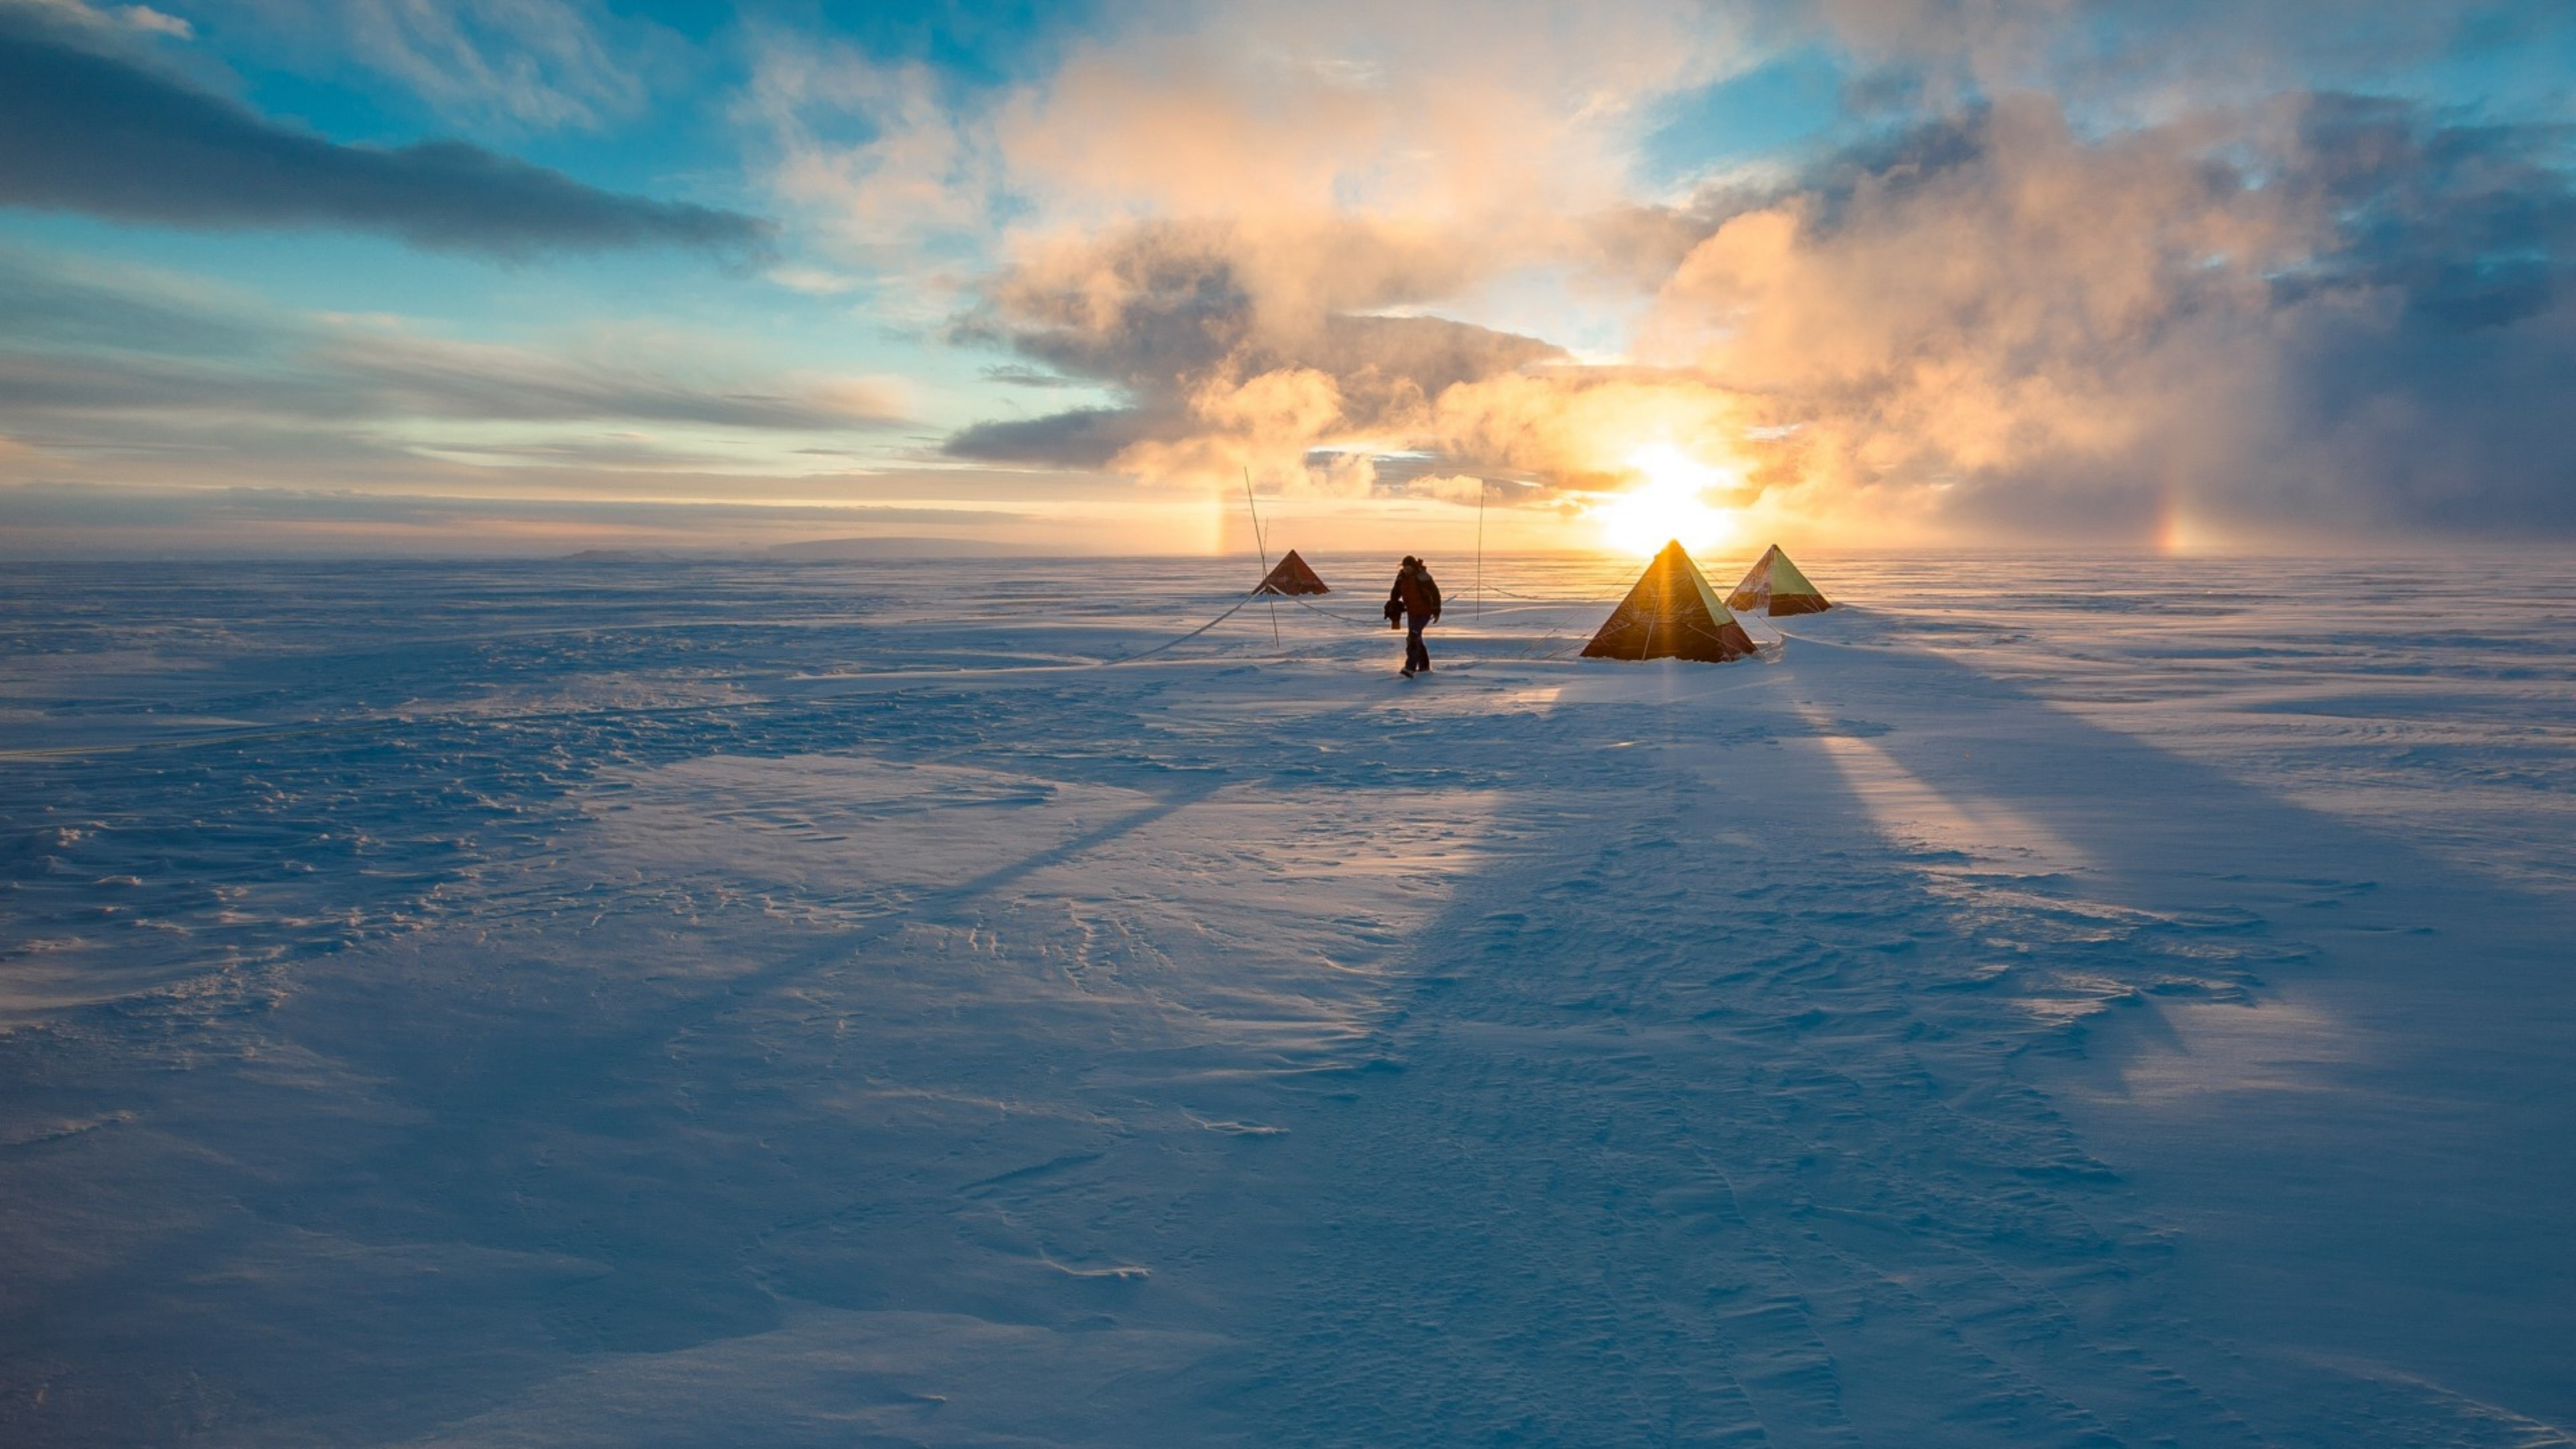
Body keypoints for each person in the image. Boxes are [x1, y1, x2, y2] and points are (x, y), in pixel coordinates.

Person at [1386, 555, 1442, 676]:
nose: (1407, 570)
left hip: (1425, 612)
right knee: (1416, 639)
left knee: (1413, 636)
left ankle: (1410, 668)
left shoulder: (1423, 577)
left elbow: (1435, 593)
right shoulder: (1401, 577)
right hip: (1412, 612)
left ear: (1414, 567)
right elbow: (1396, 591)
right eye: (1405, 567)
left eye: (1409, 567)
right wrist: (1393, 603)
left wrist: (1437, 611)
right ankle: (1424, 667)